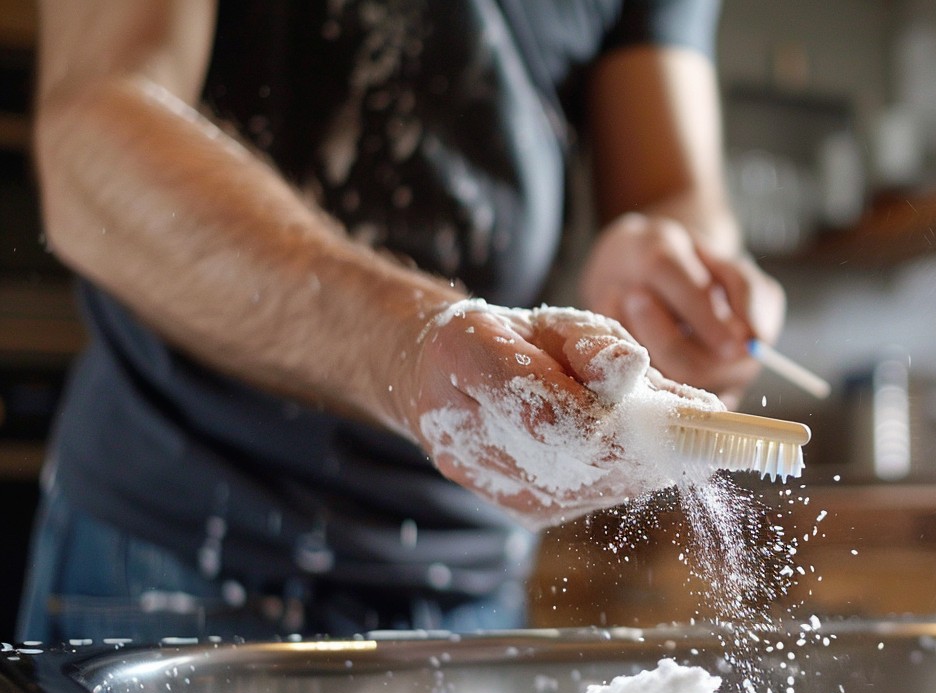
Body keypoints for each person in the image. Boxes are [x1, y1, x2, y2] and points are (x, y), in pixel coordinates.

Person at [17, 0, 785, 642]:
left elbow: (674, 192)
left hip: (472, 591)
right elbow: (95, 133)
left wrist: (676, 281)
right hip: (165, 556)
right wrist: (403, 341)